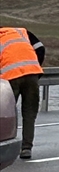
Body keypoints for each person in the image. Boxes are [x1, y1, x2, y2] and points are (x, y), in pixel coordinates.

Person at [0, 26, 46, 159]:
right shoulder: (21, 32)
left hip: (10, 77)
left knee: (5, 114)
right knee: (29, 114)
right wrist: (35, 66)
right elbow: (40, 48)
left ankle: (5, 147)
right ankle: (26, 148)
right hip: (32, 74)